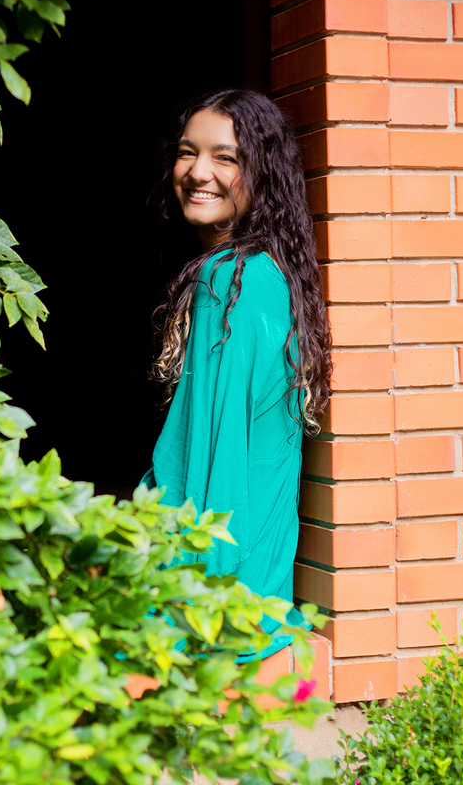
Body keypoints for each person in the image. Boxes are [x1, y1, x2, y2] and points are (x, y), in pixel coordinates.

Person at [140, 88, 332, 662]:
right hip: (257, 595)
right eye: (187, 152)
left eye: (225, 157)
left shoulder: (230, 282)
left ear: (263, 173)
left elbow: (214, 466)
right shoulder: (270, 274)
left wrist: (193, 599)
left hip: (216, 600)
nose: (198, 172)